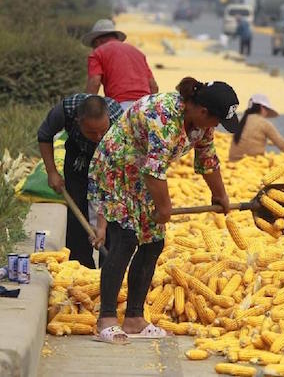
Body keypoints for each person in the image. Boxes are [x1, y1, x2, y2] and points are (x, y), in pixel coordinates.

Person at [88, 77, 239, 344]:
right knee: (125, 239)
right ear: (203, 111)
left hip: (144, 176)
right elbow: (153, 169)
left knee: (153, 242)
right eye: (216, 121)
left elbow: (207, 160)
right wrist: (164, 207)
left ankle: (134, 317)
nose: (216, 127)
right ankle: (106, 318)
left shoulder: (201, 126)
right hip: (117, 168)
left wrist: (221, 195)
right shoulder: (164, 116)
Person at [37, 94, 123, 269]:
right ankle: (80, 267)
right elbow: (44, 135)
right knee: (77, 212)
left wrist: (101, 225)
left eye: (102, 130)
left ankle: (109, 269)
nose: (98, 136)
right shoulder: (65, 110)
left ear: (108, 118)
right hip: (79, 157)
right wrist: (52, 172)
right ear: (78, 121)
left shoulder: (120, 123)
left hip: (110, 162)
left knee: (113, 217)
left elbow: (110, 184)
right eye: (92, 132)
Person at [82, 19, 159, 109]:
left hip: (120, 105)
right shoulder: (137, 52)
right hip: (145, 105)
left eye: (93, 46)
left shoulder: (97, 53)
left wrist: (86, 107)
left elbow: (94, 82)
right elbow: (153, 87)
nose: (93, 49)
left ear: (97, 41)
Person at [229, 94, 284, 167]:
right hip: (253, 163)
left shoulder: (241, 120)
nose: (267, 113)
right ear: (262, 108)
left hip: (233, 163)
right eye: (267, 110)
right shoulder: (264, 123)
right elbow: (282, 144)